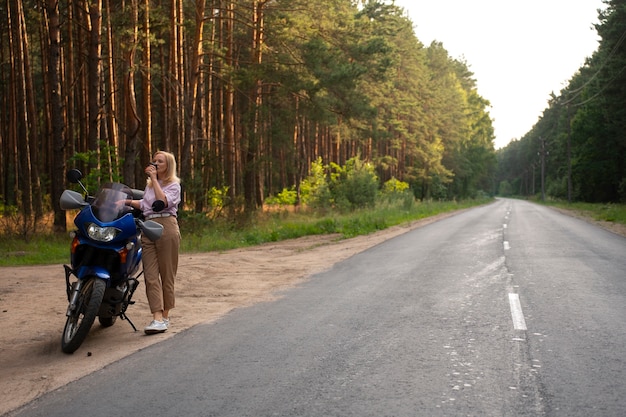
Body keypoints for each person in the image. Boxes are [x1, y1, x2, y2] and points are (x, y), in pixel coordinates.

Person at [128, 151, 181, 334]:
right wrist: (125, 201)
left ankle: (165, 316)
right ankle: (156, 318)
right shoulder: (150, 185)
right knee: (150, 276)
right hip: (148, 227)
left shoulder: (173, 185)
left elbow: (162, 201)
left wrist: (154, 179)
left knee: (167, 274)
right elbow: (145, 204)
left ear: (168, 166)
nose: (155, 163)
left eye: (160, 161)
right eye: (154, 160)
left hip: (167, 226)